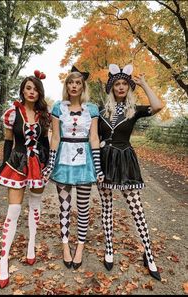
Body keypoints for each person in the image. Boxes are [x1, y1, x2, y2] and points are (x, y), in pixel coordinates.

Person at [97, 64, 163, 281]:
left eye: (125, 83)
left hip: (126, 162)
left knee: (136, 209)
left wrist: (144, 84)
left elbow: (158, 106)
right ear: (111, 88)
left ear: (129, 87)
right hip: (106, 163)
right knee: (106, 207)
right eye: (117, 84)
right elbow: (93, 138)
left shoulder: (133, 110)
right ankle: (109, 248)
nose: (121, 87)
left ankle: (149, 254)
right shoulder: (100, 111)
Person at [42, 66, 104, 270]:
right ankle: (65, 246)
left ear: (83, 86)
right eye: (71, 82)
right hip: (64, 161)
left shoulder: (92, 109)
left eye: (78, 82)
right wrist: (51, 164)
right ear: (66, 85)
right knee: (65, 207)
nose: (74, 86)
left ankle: (80, 247)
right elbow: (56, 137)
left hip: (84, 162)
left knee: (84, 208)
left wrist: (98, 167)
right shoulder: (59, 108)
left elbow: (94, 138)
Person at [0, 70, 50, 288]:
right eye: (28, 88)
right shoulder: (12, 113)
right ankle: (3, 260)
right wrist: (4, 163)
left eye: (35, 89)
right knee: (14, 211)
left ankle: (31, 246)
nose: (32, 92)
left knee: (35, 206)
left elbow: (44, 142)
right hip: (17, 164)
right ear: (23, 90)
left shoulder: (43, 116)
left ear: (39, 92)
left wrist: (46, 164)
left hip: (37, 166)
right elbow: (8, 141)